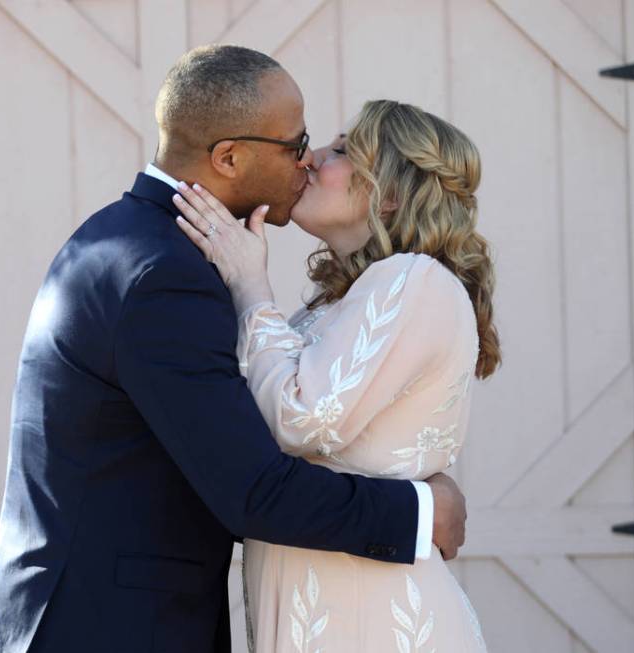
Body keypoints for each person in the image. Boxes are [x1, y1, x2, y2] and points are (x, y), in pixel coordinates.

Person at [0, 46, 468, 653]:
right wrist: (418, 511)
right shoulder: (164, 272)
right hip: (104, 628)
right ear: (229, 157)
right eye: (297, 142)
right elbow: (253, 489)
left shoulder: (130, 241)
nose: (306, 159)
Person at [174, 99, 499, 651]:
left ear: (392, 191)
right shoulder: (334, 305)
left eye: (343, 150)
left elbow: (301, 419)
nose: (309, 159)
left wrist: (250, 286)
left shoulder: (413, 279)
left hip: (377, 626)